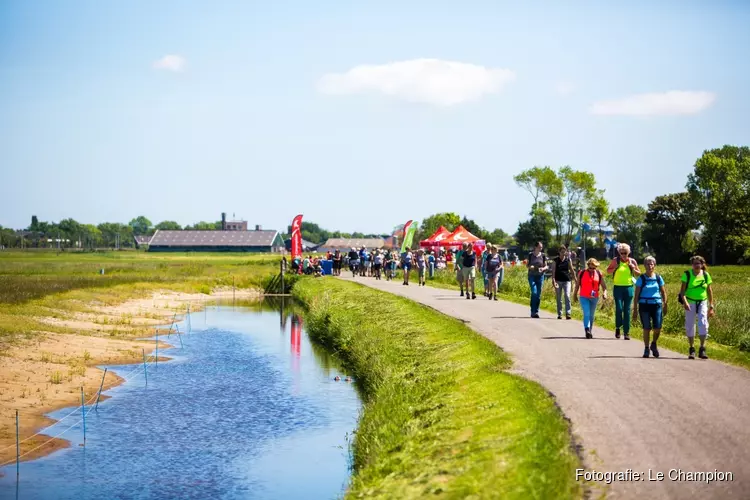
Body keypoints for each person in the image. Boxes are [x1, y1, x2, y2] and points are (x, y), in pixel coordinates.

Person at [678, 255, 715, 360]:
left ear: (702, 264)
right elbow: (682, 291)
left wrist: (711, 305)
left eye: (699, 263)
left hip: (702, 302)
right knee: (690, 324)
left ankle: (702, 348)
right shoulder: (687, 275)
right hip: (690, 302)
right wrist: (685, 303)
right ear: (692, 265)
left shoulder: (706, 275)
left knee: (703, 323)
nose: (697, 265)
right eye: (695, 263)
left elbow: (709, 291)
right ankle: (691, 348)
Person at [633, 256, 667, 358]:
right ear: (644, 266)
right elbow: (636, 295)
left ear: (654, 265)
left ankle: (654, 343)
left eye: (651, 264)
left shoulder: (658, 278)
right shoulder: (641, 279)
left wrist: (665, 304)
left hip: (657, 305)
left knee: (658, 327)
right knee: (646, 328)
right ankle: (646, 348)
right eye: (647, 264)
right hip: (644, 305)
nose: (650, 266)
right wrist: (635, 309)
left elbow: (663, 292)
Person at [606, 243, 641, 340]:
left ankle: (626, 332)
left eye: (625, 253)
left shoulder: (632, 261)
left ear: (628, 252)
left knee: (627, 310)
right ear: (619, 253)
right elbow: (608, 271)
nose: (623, 255)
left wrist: (633, 268)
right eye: (621, 253)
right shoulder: (615, 260)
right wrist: (615, 267)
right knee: (619, 309)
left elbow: (639, 273)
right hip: (618, 288)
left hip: (629, 288)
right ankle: (618, 327)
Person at [573, 258, 608, 338]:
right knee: (587, 313)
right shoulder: (582, 273)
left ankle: (589, 331)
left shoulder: (598, 273)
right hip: (584, 296)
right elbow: (577, 285)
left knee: (591, 315)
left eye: (594, 268)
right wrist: (575, 295)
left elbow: (604, 286)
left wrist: (605, 294)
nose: (592, 269)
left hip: (594, 297)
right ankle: (587, 329)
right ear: (587, 266)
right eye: (590, 268)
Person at [551, 245, 575, 320]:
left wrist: (576, 279)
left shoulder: (568, 260)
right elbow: (553, 271)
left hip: (567, 280)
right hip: (558, 280)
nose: (563, 253)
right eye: (562, 252)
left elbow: (572, 270)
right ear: (559, 252)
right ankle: (560, 313)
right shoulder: (555, 260)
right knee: (559, 297)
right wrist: (553, 280)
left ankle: (568, 313)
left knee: (567, 295)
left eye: (564, 252)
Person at [527, 242, 548, 318]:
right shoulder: (530, 255)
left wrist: (543, 268)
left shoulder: (543, 255)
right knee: (534, 292)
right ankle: (532, 310)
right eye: (539, 247)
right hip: (532, 276)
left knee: (538, 295)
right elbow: (527, 265)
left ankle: (536, 311)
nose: (540, 248)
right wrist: (531, 267)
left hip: (540, 276)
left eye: (541, 247)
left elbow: (546, 266)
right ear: (535, 247)